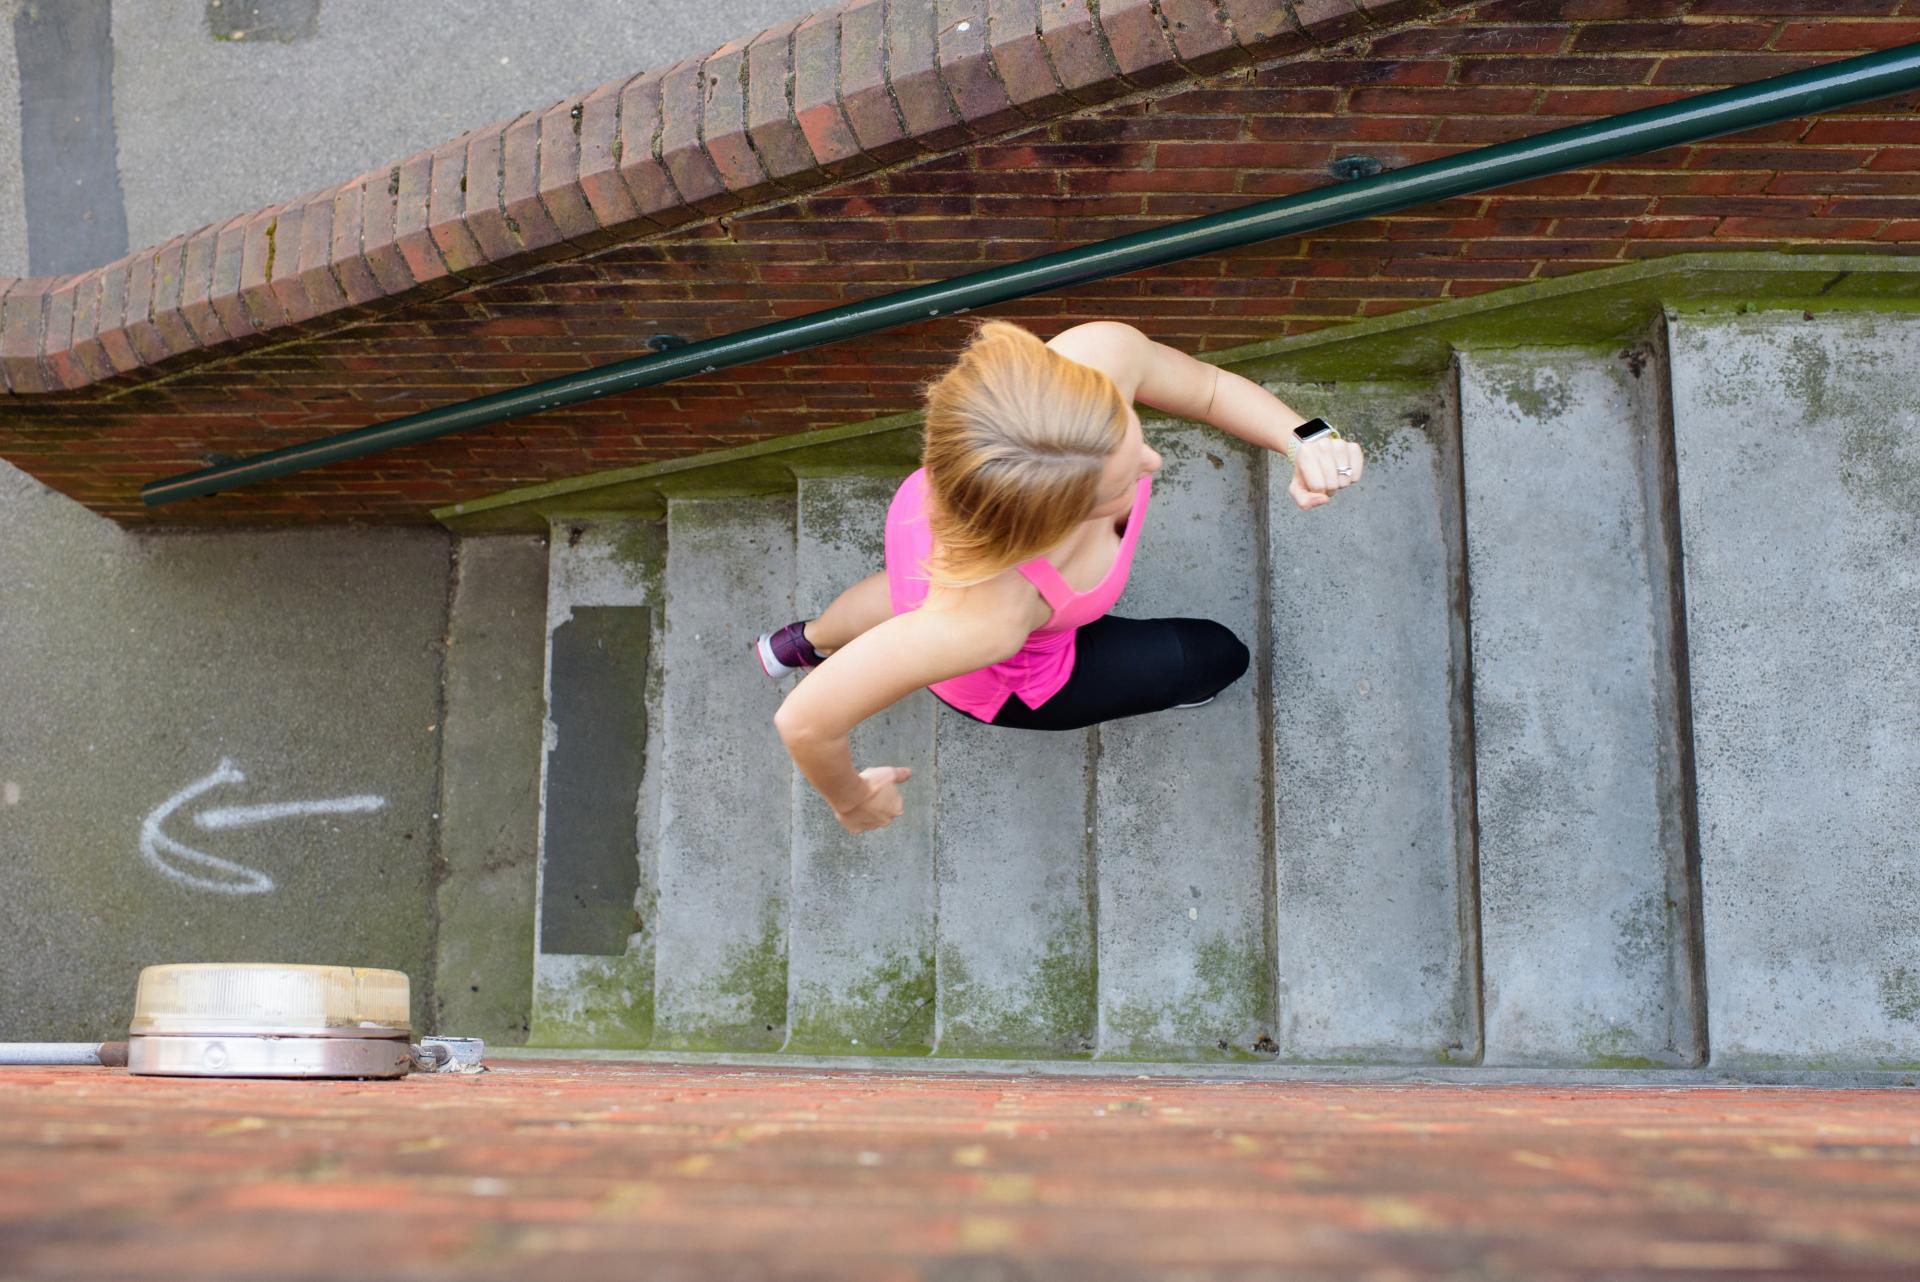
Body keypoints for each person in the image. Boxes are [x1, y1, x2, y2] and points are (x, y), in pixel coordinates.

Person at [757, 319, 1364, 834]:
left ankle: (807, 640)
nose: (1153, 462)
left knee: (906, 586)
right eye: (1125, 480)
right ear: (1050, 523)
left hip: (940, 534)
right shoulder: (986, 615)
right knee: (1213, 655)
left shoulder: (1090, 364)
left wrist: (1307, 440)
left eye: (1129, 433)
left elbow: (1205, 390)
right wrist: (855, 801)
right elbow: (806, 722)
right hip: (1023, 674)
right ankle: (810, 644)